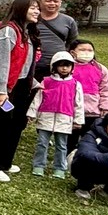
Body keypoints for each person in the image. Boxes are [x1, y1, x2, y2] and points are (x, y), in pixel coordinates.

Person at [0, 0, 40, 183]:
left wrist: (33, 82)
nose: (37, 11)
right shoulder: (7, 31)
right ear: (20, 9)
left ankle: (4, 162)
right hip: (3, 87)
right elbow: (0, 63)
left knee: (16, 123)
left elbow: (23, 62)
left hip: (19, 85)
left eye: (37, 8)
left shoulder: (26, 32)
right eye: (32, 8)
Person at [27, 51, 83, 179]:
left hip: (65, 119)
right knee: (42, 143)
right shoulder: (46, 81)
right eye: (61, 65)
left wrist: (78, 120)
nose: (64, 68)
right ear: (54, 66)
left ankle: (59, 168)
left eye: (67, 65)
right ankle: (39, 165)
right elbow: (38, 99)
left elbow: (78, 103)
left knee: (61, 145)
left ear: (72, 67)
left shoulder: (75, 84)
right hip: (46, 117)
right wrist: (32, 113)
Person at [69, 38, 108, 134]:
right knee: (70, 140)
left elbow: (106, 90)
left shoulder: (100, 69)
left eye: (90, 50)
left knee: (89, 138)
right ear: (72, 52)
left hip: (93, 114)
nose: (86, 53)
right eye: (82, 50)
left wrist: (107, 108)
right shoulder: (66, 68)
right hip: (70, 113)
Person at [33, 0, 80, 80]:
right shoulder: (32, 19)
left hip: (59, 66)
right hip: (33, 65)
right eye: (48, 1)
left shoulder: (69, 21)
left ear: (60, 3)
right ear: (40, 2)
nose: (52, 3)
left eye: (56, 1)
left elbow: (72, 42)